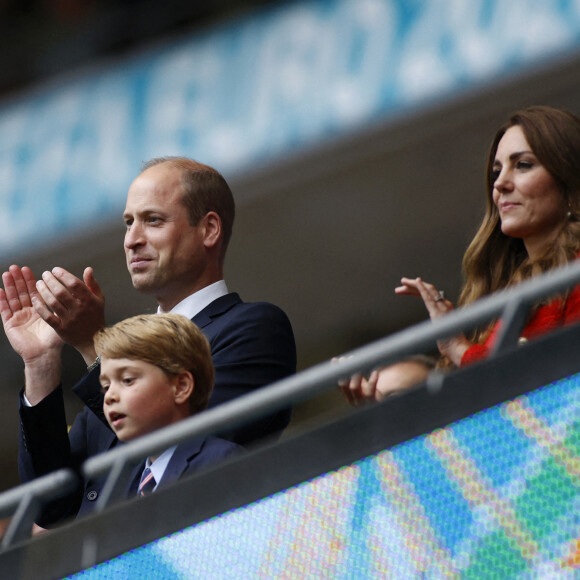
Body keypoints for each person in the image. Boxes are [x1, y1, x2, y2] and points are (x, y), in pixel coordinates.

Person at [1, 157, 295, 521]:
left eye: (152, 220)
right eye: (128, 223)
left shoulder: (254, 327)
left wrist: (96, 345)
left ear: (209, 229)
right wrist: (41, 363)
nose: (132, 240)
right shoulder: (115, 357)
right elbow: (50, 506)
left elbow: (191, 449)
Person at [342, 106, 580, 403]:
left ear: (568, 179)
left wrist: (459, 349)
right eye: (497, 170)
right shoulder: (508, 293)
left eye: (523, 165)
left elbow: (541, 387)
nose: (500, 183)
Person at [23, 313, 242, 523]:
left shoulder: (221, 462)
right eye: (105, 386)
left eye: (127, 380)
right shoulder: (117, 483)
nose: (110, 397)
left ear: (181, 386)